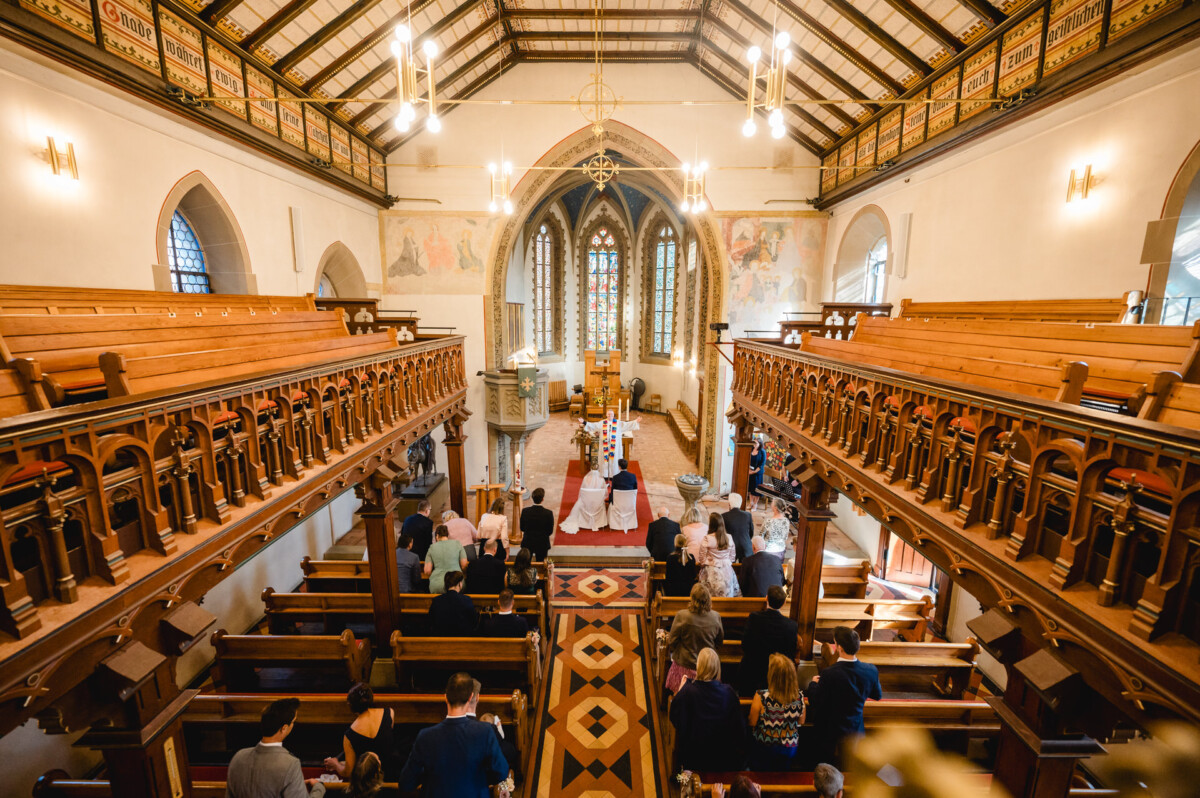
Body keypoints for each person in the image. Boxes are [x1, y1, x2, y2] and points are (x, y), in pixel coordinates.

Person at [398, 673, 509, 797]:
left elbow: (406, 783)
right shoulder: (485, 731)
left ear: (445, 697)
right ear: (470, 697)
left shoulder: (425, 736)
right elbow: (501, 772)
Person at [805, 626, 883, 766]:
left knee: (827, 765)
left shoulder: (829, 673)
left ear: (839, 648)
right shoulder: (870, 670)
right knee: (849, 766)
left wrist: (813, 684)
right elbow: (877, 695)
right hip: (855, 729)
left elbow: (816, 701)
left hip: (829, 732)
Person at [226, 697, 325, 798]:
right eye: (293, 722)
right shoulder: (290, 764)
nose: (293, 725)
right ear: (284, 728)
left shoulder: (238, 757)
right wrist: (319, 788)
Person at [669, 648, 747, 772]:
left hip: (695, 755)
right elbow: (739, 726)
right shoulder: (728, 692)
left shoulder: (689, 691)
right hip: (722, 755)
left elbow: (674, 717)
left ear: (699, 666)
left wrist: (681, 690)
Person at [322, 684, 397, 781]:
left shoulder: (349, 735)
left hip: (366, 781)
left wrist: (336, 764)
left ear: (351, 706)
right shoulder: (389, 713)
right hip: (391, 775)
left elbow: (348, 772)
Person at [748, 653, 805, 771]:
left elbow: (752, 722)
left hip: (765, 746)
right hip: (789, 747)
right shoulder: (799, 696)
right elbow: (801, 721)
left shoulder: (761, 696)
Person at [739, 585, 799, 696]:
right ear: (784, 603)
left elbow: (745, 645)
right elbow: (791, 653)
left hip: (754, 671)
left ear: (766, 598)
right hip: (778, 675)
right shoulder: (791, 625)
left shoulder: (754, 618)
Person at [666, 583, 724, 694]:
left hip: (685, 666)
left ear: (692, 599)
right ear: (708, 599)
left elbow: (672, 641)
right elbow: (719, 642)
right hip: (707, 668)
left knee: (680, 697)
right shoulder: (716, 617)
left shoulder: (682, 616)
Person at [579, 408, 640, 479]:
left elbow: (627, 425)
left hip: (614, 447)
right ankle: (604, 475)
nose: (610, 415)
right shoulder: (602, 423)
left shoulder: (618, 423)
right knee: (604, 460)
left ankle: (613, 475)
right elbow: (593, 426)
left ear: (614, 415)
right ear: (606, 415)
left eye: (611, 414)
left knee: (614, 460)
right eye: (608, 414)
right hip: (604, 446)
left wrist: (636, 421)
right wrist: (584, 422)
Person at [699, 512, 742, 598]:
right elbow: (732, 557)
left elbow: (702, 558)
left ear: (711, 524)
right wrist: (725, 561)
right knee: (727, 594)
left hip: (712, 570)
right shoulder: (729, 537)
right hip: (727, 571)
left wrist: (707, 562)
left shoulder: (707, 538)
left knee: (709, 596)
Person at [427, 571, 477, 636]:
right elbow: (473, 621)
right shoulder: (466, 599)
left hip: (441, 637)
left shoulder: (437, 600)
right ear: (460, 584)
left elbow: (431, 620)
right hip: (462, 638)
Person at [559, 467, 608, 533]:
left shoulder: (585, 478)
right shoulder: (602, 480)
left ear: (590, 469)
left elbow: (582, 492)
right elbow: (605, 493)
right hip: (597, 504)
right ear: (598, 470)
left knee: (579, 502)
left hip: (586, 503)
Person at [478, 712, 522, 786]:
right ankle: (516, 774)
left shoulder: (481, 735)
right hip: (503, 752)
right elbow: (502, 737)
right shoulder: (494, 730)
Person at [424, 525, 469, 594]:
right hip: (456, 583)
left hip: (437, 584)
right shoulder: (457, 544)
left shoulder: (432, 547)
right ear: (447, 535)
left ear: (437, 536)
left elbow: (427, 571)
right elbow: (464, 565)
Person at [519, 487, 555, 561]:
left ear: (532, 498)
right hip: (542, 543)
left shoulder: (525, 511)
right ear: (542, 499)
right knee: (542, 565)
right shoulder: (548, 513)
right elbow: (550, 531)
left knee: (526, 564)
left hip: (528, 542)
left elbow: (522, 528)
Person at [722, 492, 754, 562]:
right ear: (740, 503)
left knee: (731, 569)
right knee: (744, 570)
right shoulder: (748, 515)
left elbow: (723, 534)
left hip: (731, 547)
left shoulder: (724, 516)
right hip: (745, 547)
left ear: (729, 504)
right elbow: (751, 533)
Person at [747, 439, 766, 511]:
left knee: (756, 490)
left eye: (756, 443)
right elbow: (748, 459)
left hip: (758, 473)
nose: (754, 444)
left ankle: (755, 504)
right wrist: (749, 470)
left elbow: (762, 464)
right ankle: (750, 503)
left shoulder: (762, 452)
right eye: (753, 442)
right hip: (750, 471)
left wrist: (754, 471)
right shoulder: (751, 449)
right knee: (750, 488)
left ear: (760, 444)